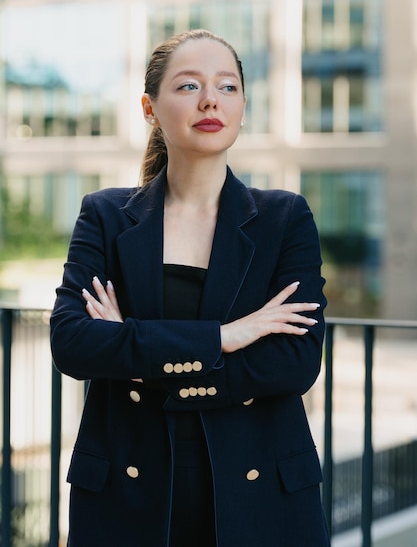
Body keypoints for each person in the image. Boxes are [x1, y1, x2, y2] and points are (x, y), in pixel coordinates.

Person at [50, 29, 330, 547]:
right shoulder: (106, 215)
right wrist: (224, 337)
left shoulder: (284, 218)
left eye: (227, 87)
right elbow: (72, 343)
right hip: (126, 491)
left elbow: (296, 360)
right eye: (187, 86)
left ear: (243, 106)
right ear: (149, 108)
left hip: (261, 492)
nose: (209, 101)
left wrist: (136, 349)